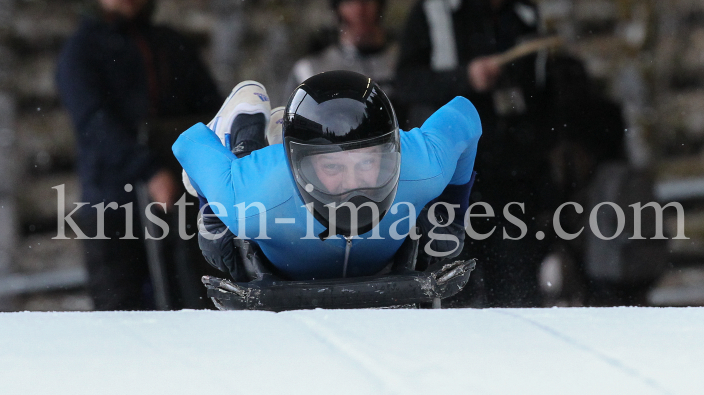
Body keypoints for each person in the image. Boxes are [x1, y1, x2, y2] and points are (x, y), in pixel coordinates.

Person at [173, 71, 479, 282]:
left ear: (390, 153)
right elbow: (190, 143)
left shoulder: (421, 165)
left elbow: (465, 114)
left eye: (367, 162)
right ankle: (246, 121)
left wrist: (450, 214)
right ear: (299, 164)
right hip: (265, 185)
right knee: (218, 243)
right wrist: (214, 209)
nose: (353, 183)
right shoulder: (254, 195)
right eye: (333, 167)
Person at [393, 0, 550, 307]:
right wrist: (465, 78)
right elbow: (407, 84)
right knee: (453, 292)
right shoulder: (432, 12)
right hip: (451, 188)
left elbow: (545, 98)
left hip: (515, 180)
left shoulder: (526, 14)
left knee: (518, 294)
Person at [56, 0, 223, 310]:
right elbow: (94, 124)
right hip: (111, 207)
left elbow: (211, 111)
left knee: (193, 308)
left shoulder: (172, 45)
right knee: (123, 320)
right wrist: (148, 171)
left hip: (181, 206)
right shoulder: (80, 53)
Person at [285, 0, 399, 100]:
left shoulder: (406, 62)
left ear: (380, 3)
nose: (359, 9)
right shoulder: (311, 72)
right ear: (336, 7)